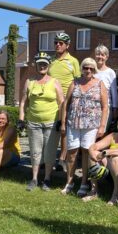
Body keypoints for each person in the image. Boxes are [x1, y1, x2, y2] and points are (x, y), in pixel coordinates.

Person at [61, 57, 108, 199]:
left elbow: (105, 107)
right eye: (85, 68)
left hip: (91, 125)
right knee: (72, 153)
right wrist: (63, 122)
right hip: (73, 123)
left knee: (87, 153)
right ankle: (69, 182)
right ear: (82, 69)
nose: (88, 70)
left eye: (91, 68)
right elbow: (66, 103)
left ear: (94, 70)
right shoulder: (74, 82)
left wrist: (102, 126)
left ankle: (83, 182)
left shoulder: (100, 84)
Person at [19, 52, 64, 191]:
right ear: (36, 65)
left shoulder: (54, 82)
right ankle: (34, 179)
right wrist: (21, 119)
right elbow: (23, 103)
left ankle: (47, 179)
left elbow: (61, 102)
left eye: (45, 63)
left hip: (51, 122)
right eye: (40, 64)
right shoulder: (29, 82)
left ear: (48, 65)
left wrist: (61, 120)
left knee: (49, 152)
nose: (42, 66)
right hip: (33, 123)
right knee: (35, 151)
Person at [48, 32, 81, 170]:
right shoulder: (51, 61)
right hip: (51, 101)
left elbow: (78, 81)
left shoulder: (73, 61)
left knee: (64, 131)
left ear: (67, 45)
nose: (57, 45)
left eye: (61, 43)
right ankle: (48, 158)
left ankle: (62, 159)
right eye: (56, 42)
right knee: (51, 129)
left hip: (66, 102)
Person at [94, 44, 118, 132]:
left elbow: (114, 93)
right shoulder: (91, 70)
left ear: (106, 57)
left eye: (102, 55)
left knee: (102, 132)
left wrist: (115, 109)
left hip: (106, 108)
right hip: (92, 108)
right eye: (98, 54)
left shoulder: (110, 72)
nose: (100, 57)